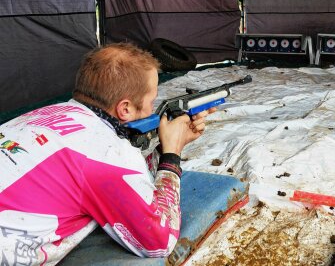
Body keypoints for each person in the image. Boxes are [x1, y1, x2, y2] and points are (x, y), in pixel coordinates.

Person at [0, 43, 215, 265]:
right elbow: (159, 241)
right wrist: (172, 154)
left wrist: (163, 148)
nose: (153, 109)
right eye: (152, 102)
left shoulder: (38, 115)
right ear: (125, 109)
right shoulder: (110, 154)